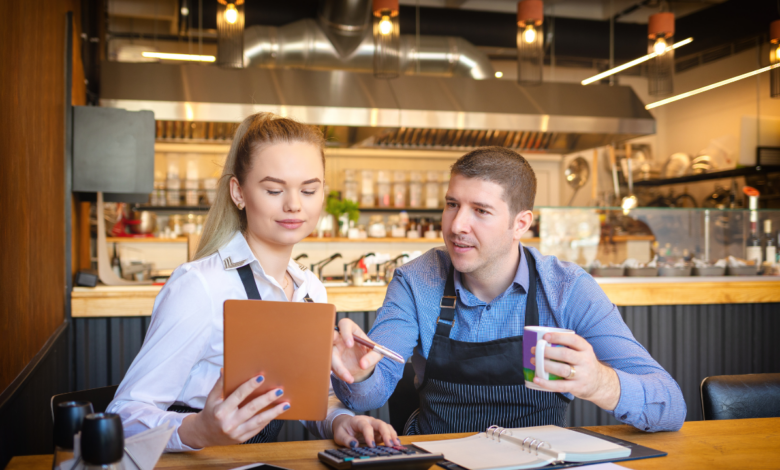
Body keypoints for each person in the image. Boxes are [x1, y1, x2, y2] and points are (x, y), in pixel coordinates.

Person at [330, 146, 686, 435]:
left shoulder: (566, 288)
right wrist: (358, 372)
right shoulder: (417, 280)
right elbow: (369, 394)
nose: (456, 225)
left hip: (537, 462)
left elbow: (670, 405)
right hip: (437, 458)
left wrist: (599, 384)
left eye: (480, 210)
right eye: (452, 204)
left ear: (521, 224)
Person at [108, 113, 398, 451]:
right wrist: (199, 430)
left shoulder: (310, 291)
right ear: (239, 192)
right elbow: (122, 416)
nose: (294, 204)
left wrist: (342, 420)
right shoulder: (200, 286)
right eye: (274, 189)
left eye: (308, 189)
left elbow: (303, 398)